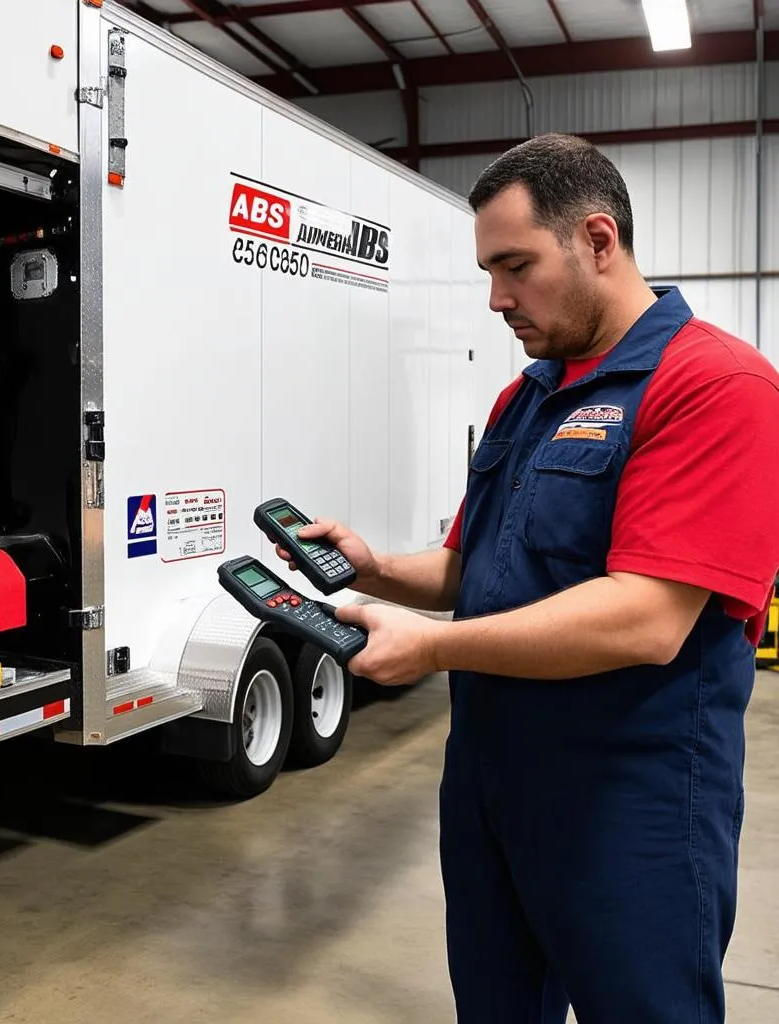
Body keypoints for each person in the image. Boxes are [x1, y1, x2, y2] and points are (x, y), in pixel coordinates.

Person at [276, 133, 779, 1022]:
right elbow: (474, 570)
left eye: (516, 266)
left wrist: (432, 649)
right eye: (487, 271)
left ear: (597, 239)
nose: (497, 300)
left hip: (631, 804)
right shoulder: (529, 396)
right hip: (490, 786)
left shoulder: (714, 385)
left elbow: (647, 617)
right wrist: (375, 567)